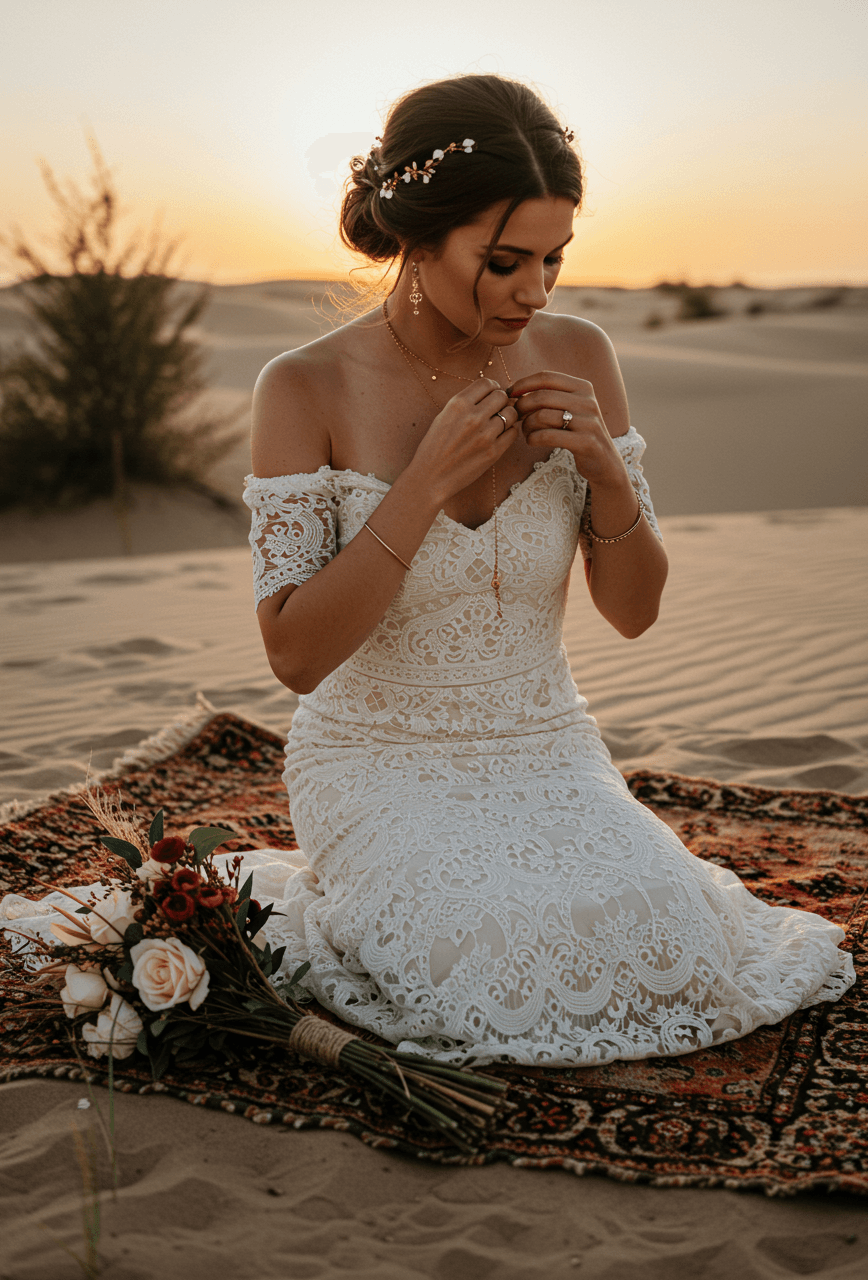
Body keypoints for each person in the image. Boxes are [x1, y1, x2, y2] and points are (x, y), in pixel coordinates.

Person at [238, 73, 853, 1066]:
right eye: (503, 261)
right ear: (420, 238)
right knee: (492, 964)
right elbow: (295, 654)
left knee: (670, 941)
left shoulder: (580, 352)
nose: (534, 290)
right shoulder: (303, 384)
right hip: (375, 760)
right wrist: (420, 483)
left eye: (554, 259)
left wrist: (608, 474)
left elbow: (635, 611)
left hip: (547, 744)